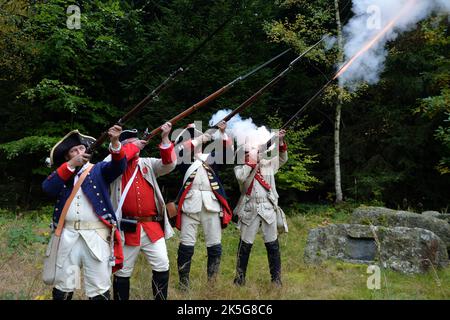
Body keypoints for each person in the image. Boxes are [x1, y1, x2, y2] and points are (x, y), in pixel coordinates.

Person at [42, 125, 126, 300]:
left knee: (98, 288)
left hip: (95, 237)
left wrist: (115, 142)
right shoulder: (65, 174)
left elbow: (118, 166)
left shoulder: (99, 169)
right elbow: (48, 188)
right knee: (66, 286)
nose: (80, 151)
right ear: (68, 157)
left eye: (81, 148)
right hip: (68, 239)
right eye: (74, 150)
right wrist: (71, 166)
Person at [109, 123, 176, 300]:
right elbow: (115, 156)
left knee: (162, 264)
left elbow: (169, 164)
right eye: (131, 143)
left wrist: (165, 138)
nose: (137, 146)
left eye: (137, 142)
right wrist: (131, 147)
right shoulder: (113, 166)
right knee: (122, 271)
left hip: (152, 227)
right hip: (127, 228)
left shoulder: (147, 163)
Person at [174, 121, 233, 290]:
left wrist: (223, 133)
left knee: (214, 244)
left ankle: (212, 283)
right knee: (186, 244)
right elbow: (175, 151)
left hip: (211, 205)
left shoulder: (210, 158)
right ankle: (183, 283)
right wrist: (200, 138)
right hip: (190, 205)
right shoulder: (183, 159)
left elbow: (227, 154)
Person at [233, 129, 288, 287]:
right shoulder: (241, 168)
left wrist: (281, 141)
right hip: (249, 208)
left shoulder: (268, 164)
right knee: (245, 245)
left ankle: (276, 280)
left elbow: (283, 158)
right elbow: (241, 177)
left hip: (268, 207)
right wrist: (252, 160)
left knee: (272, 244)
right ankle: (239, 279)